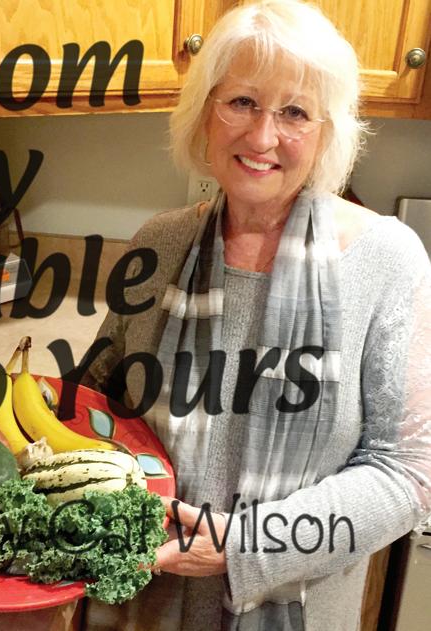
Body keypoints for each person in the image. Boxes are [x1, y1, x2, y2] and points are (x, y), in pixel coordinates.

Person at [80, 1, 431, 629]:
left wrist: (246, 546)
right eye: (242, 102)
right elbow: (93, 402)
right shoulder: (158, 244)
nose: (263, 137)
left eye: (295, 112)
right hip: (138, 604)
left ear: (327, 132)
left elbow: (405, 470)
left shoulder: (387, 260)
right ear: (205, 112)